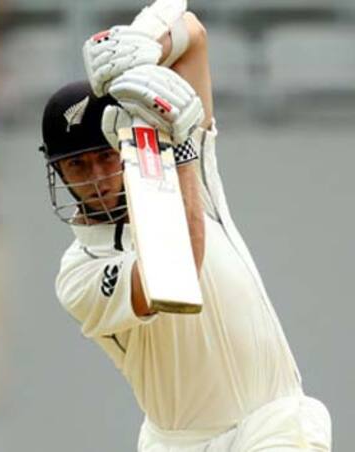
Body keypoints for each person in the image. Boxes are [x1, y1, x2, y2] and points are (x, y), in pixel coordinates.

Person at [39, 7, 332, 451]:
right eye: (77, 165)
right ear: (58, 172)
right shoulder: (79, 273)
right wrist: (182, 152)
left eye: (104, 156)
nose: (97, 177)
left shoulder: (184, 171)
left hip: (275, 423)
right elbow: (174, 277)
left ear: (123, 146)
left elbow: (193, 34)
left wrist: (143, 49)